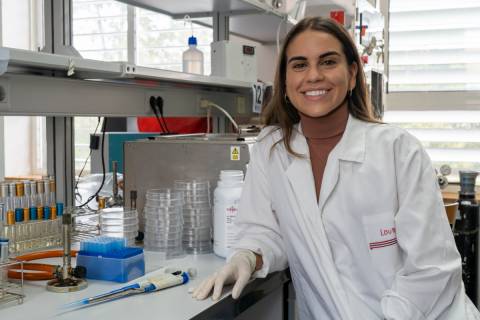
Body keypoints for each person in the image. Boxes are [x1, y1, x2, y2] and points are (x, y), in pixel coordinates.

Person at [191, 17, 480, 319]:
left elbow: (431, 270)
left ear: (352, 74)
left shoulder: (398, 150)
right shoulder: (271, 150)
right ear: (286, 82)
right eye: (300, 65)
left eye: (328, 62)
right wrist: (248, 257)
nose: (313, 75)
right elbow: (265, 230)